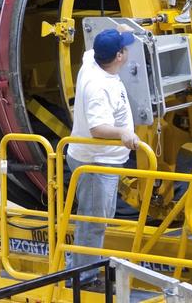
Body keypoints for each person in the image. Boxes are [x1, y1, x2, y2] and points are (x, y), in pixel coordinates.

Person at [66, 27, 140, 289]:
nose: (129, 50)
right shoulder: (99, 87)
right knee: (94, 221)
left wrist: (117, 30)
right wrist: (124, 134)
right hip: (96, 163)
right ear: (119, 56)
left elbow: (94, 49)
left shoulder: (92, 61)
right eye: (124, 47)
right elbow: (98, 130)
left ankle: (77, 265)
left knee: (97, 216)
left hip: (96, 161)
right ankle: (82, 278)